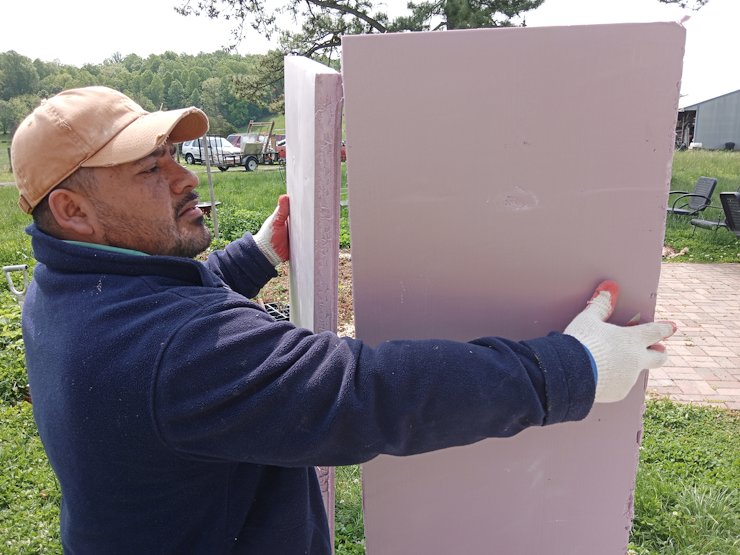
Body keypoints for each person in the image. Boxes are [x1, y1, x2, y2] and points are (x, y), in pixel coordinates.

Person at [11, 86, 675, 554]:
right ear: (74, 211)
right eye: (152, 168)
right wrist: (570, 369)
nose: (185, 178)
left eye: (176, 156)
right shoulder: (173, 352)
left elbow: (168, 305)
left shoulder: (62, 288)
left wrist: (259, 252)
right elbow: (368, 392)